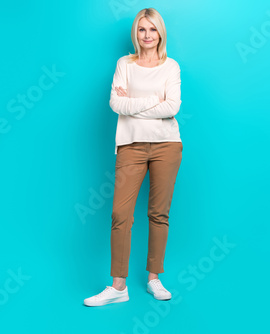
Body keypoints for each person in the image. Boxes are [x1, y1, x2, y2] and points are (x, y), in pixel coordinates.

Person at [84, 7, 183, 307]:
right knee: (120, 214)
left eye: (152, 29)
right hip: (130, 145)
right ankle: (118, 287)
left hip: (167, 145)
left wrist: (135, 104)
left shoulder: (171, 66)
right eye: (142, 29)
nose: (147, 35)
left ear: (160, 33)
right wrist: (154, 101)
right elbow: (116, 103)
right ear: (136, 34)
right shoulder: (124, 64)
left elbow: (172, 107)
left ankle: (154, 278)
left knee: (159, 213)